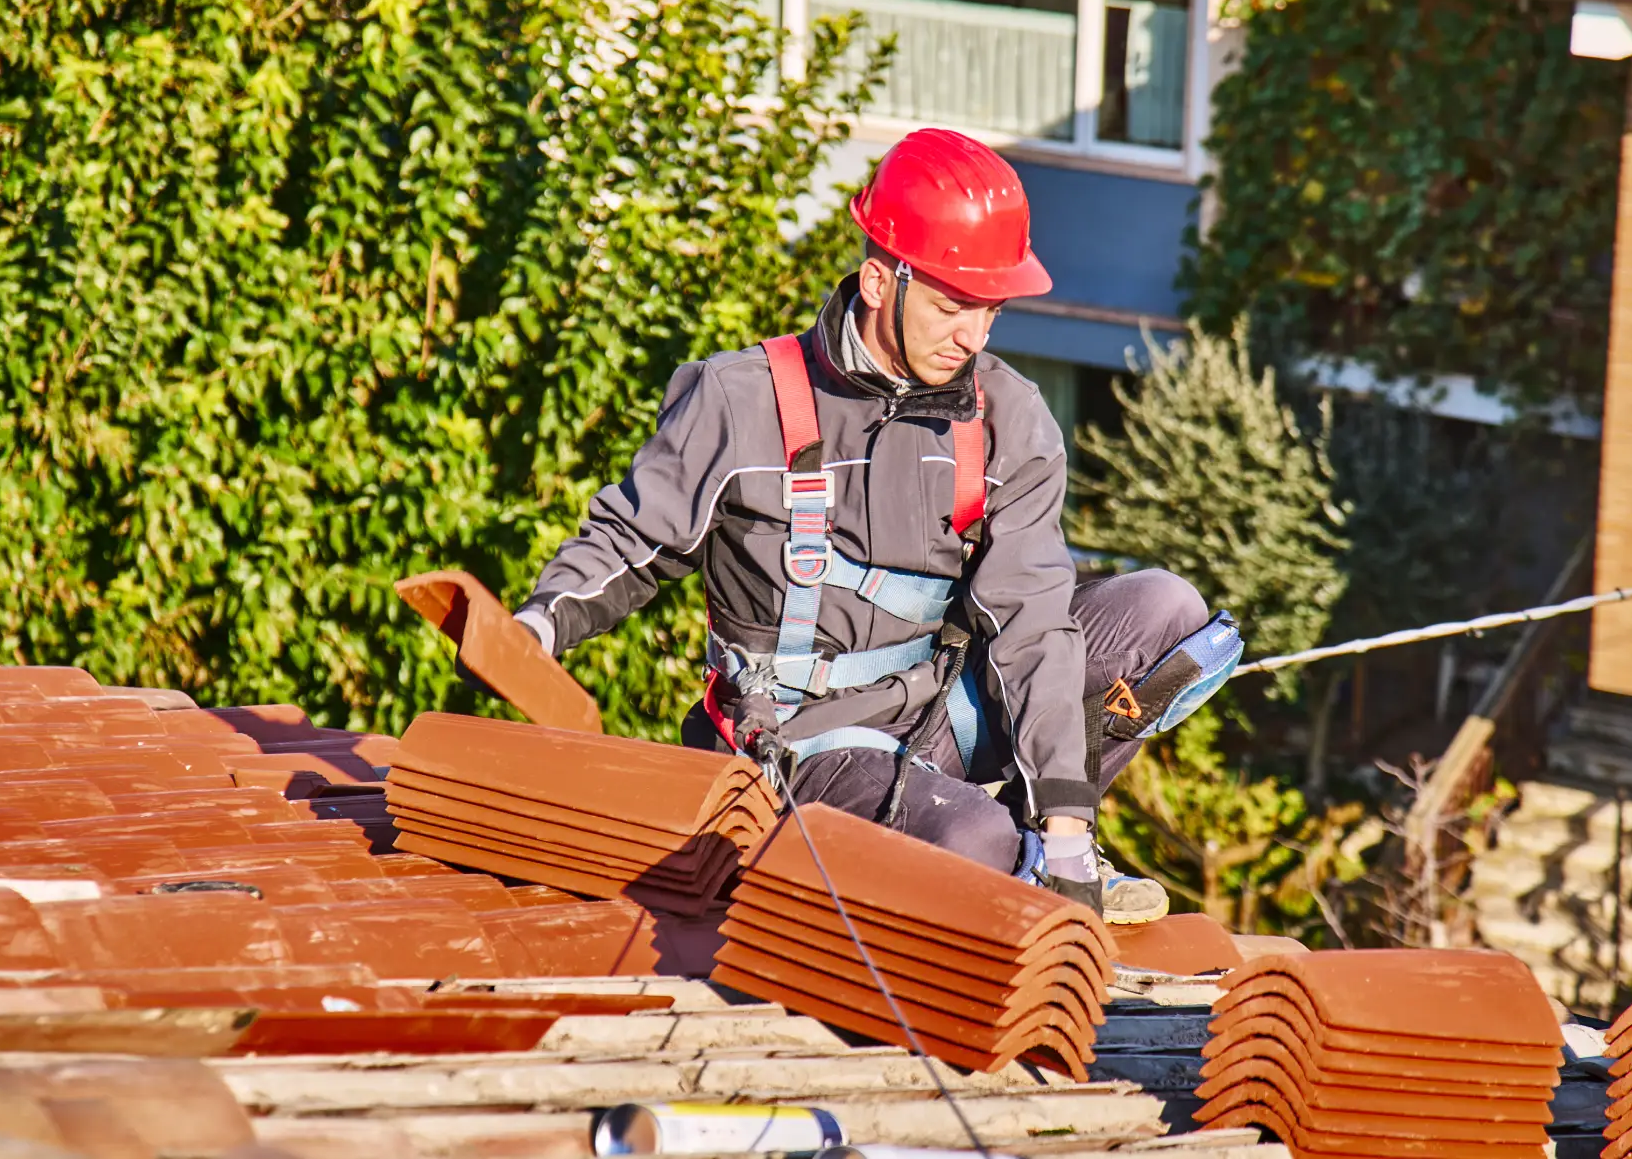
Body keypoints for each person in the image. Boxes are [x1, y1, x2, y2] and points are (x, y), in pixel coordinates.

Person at [488, 128, 1242, 923]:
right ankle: (997, 849)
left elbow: (1033, 626)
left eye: (991, 310)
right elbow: (630, 538)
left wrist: (1066, 824)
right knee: (972, 844)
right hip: (796, 745)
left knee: (1167, 615)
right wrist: (539, 625)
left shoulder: (1006, 419)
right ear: (881, 281)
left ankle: (1039, 848)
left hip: (938, 713)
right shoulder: (742, 399)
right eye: (952, 306)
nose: (975, 336)